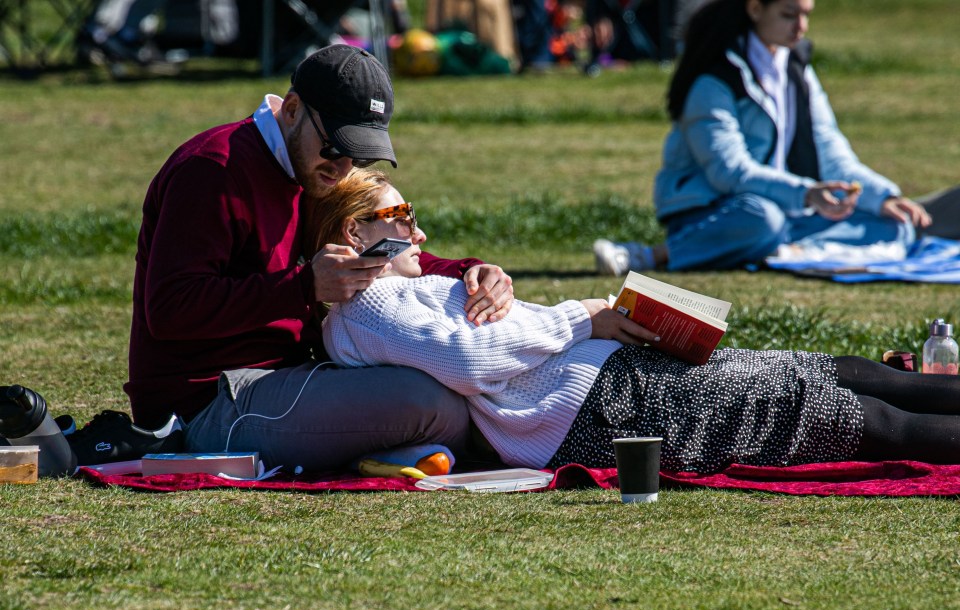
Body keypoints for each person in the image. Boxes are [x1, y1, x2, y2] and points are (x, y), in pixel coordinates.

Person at [312, 168, 960, 474]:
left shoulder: (412, 284)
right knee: (845, 414)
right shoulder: (367, 306)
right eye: (402, 217)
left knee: (838, 370)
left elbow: (488, 332)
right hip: (597, 409)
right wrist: (584, 316)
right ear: (354, 230)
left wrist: (497, 281)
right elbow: (470, 361)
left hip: (615, 379)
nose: (419, 230)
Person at [115, 44, 515, 473]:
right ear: (291, 110)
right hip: (206, 407)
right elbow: (171, 309)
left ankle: (385, 455)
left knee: (450, 380)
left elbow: (380, 250)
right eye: (335, 146)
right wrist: (304, 287)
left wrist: (470, 272)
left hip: (290, 380)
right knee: (435, 404)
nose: (344, 166)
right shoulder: (213, 170)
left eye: (360, 153)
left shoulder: (306, 164)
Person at [593, 0, 933, 276]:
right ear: (755, 9)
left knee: (894, 226)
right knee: (762, 219)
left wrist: (882, 196)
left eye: (806, 15)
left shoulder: (797, 69)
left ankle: (780, 250)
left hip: (787, 207)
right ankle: (654, 255)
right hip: (717, 209)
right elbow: (729, 172)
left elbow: (830, 151)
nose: (800, 27)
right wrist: (805, 194)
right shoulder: (715, 79)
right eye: (789, 14)